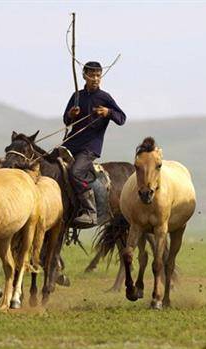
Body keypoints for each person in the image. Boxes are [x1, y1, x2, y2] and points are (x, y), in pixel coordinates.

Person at [62, 61, 126, 228]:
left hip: (90, 147)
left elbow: (122, 118)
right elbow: (66, 120)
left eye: (98, 75)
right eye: (92, 75)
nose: (96, 78)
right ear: (84, 76)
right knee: (50, 166)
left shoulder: (104, 97)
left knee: (76, 172)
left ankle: (90, 211)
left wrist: (108, 112)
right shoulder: (77, 96)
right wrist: (71, 114)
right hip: (71, 143)